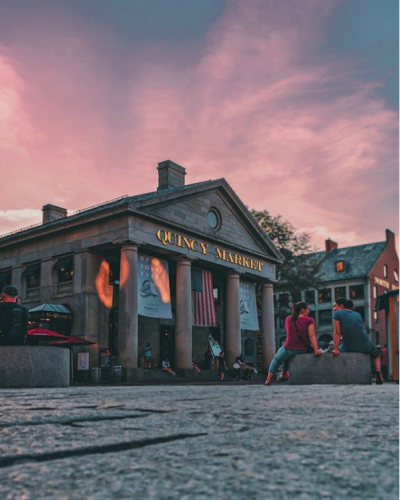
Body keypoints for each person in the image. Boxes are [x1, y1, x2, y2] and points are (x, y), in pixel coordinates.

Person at [265, 301, 322, 385]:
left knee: (277, 359)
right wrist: (316, 350)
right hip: (303, 349)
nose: (309, 312)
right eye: (308, 310)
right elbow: (312, 335)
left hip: (289, 348)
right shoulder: (310, 320)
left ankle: (268, 380)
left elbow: (289, 332)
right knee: (284, 356)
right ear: (303, 310)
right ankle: (284, 374)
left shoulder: (288, 319)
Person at [332, 298, 383, 385]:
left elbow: (337, 332)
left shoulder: (337, 313)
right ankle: (378, 371)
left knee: (335, 347)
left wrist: (336, 349)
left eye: (335, 306)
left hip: (348, 345)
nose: (334, 309)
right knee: (376, 353)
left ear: (341, 306)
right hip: (365, 343)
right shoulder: (357, 314)